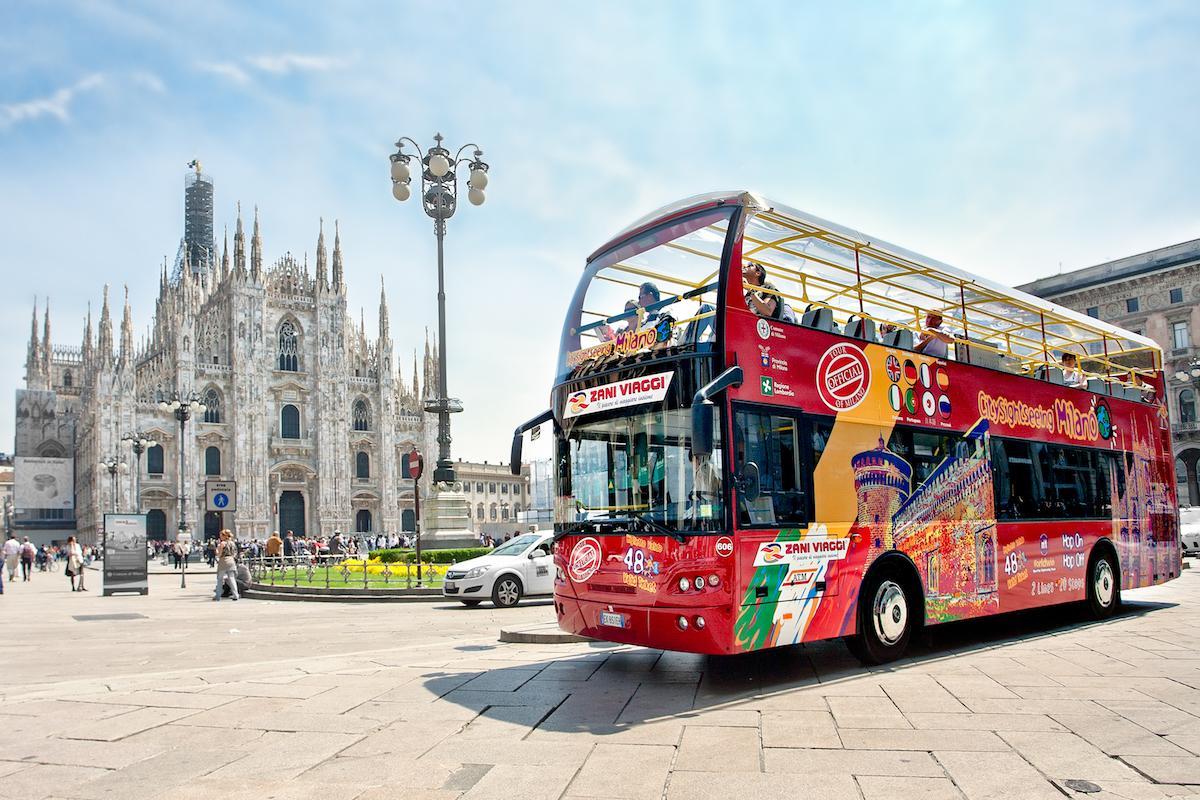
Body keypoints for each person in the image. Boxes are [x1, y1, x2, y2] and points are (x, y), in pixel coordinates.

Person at [212, 529, 239, 602]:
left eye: (221, 535)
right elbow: (235, 553)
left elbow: (219, 554)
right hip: (231, 560)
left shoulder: (222, 543)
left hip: (223, 561)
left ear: (225, 536)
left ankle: (218, 596)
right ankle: (236, 595)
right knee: (231, 578)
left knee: (220, 579)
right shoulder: (232, 543)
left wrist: (216, 550)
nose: (220, 537)